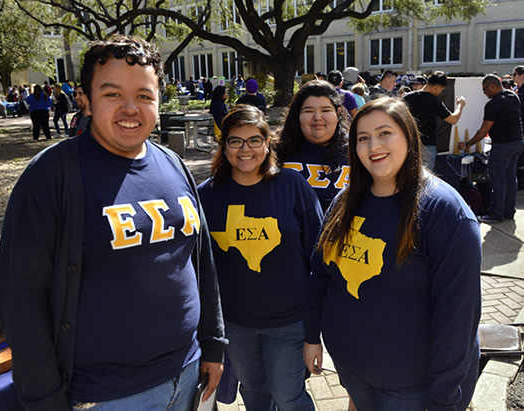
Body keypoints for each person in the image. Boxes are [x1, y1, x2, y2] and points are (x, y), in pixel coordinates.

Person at [0, 35, 226, 411]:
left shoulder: (174, 164)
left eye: (145, 96)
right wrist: (44, 398)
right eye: (113, 94)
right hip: (105, 396)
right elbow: (18, 298)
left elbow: (202, 263)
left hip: (189, 375)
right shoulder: (51, 176)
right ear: (85, 98)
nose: (130, 108)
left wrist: (213, 343)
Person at [304, 97, 482, 411]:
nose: (373, 145)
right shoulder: (345, 201)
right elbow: (321, 274)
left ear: (409, 137)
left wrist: (442, 399)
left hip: (411, 388)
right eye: (362, 138)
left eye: (385, 133)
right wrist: (311, 336)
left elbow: (458, 317)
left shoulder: (444, 211)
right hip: (352, 371)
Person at [198, 104, 322, 411]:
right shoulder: (206, 195)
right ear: (223, 147)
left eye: (255, 140)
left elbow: (319, 256)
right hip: (236, 324)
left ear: (268, 144)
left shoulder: (292, 186)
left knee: (287, 397)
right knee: (254, 395)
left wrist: (315, 328)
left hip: (289, 321)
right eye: (235, 141)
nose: (245, 149)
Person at [458, 74, 524, 223]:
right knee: (510, 178)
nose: (484, 93)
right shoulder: (513, 96)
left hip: (502, 145)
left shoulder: (493, 104)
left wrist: (467, 144)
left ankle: (496, 214)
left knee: (497, 179)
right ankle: (508, 212)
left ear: (492, 86)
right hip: (517, 143)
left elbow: (484, 130)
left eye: (484, 89)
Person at [277, 80, 350, 212]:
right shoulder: (276, 151)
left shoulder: (357, 151)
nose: (317, 117)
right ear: (297, 115)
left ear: (338, 113)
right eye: (308, 111)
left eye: (325, 110)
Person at [403, 71, 466, 170]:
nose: (440, 92)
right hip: (427, 145)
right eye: (441, 89)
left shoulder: (407, 97)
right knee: (426, 179)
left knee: (407, 175)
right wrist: (460, 106)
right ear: (437, 87)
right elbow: (453, 119)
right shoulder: (434, 101)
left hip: (408, 143)